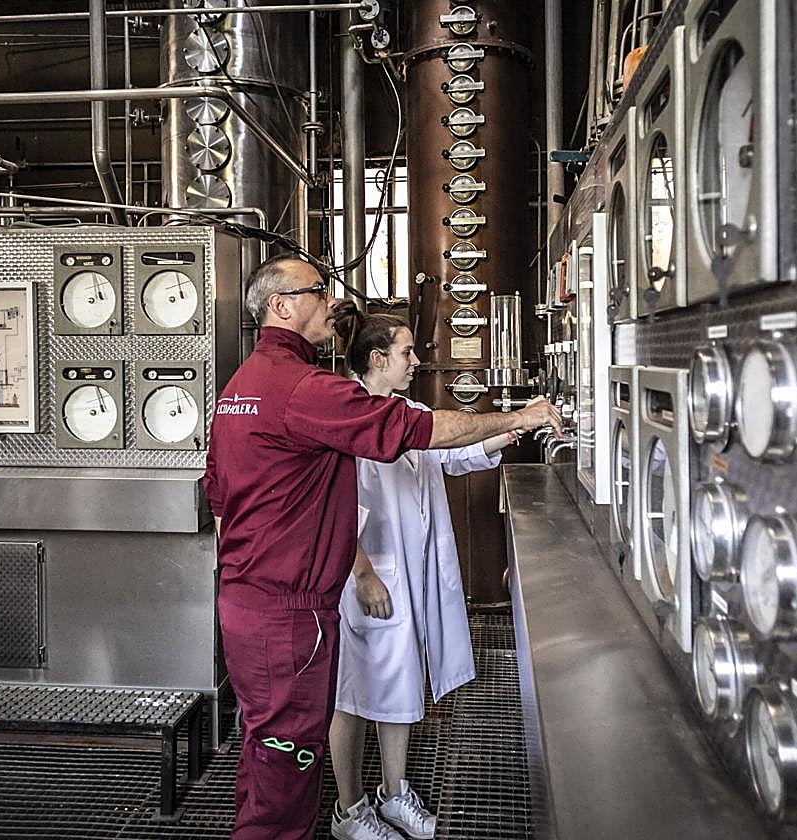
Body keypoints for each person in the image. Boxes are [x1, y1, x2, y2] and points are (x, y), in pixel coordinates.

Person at [202, 255, 561, 840]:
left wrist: (252, 567)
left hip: (252, 600)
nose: (331, 302)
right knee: (287, 768)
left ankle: (379, 798)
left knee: (272, 757)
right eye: (319, 291)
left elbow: (218, 496)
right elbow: (419, 432)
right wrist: (519, 414)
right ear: (281, 306)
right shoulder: (304, 389)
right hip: (289, 609)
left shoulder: (240, 388)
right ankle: (342, 813)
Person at [327, 312, 513, 840]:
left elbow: (453, 455)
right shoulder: (349, 420)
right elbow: (333, 513)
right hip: (369, 579)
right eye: (406, 353)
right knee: (351, 696)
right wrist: (364, 576)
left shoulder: (410, 412)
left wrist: (513, 430)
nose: (416, 361)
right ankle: (348, 811)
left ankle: (394, 794)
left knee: (402, 685)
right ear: (377, 359)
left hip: (407, 576)